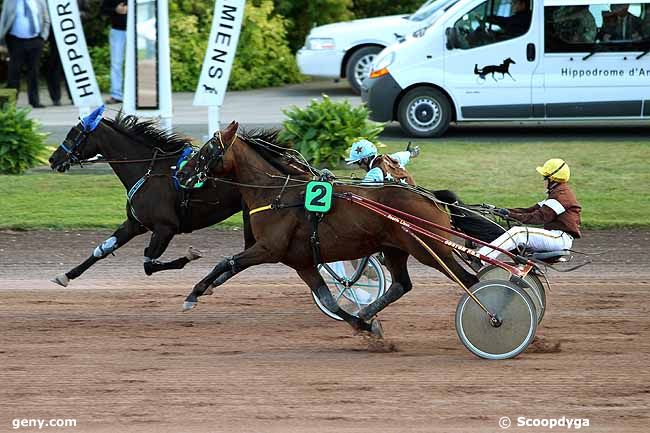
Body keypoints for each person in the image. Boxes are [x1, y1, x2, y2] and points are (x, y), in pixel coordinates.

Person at [477, 159, 582, 262]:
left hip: (559, 238)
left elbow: (538, 217)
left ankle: (482, 257)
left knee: (518, 232)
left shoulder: (561, 196)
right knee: (518, 233)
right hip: (556, 237)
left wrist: (511, 215)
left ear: (551, 179)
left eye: (545, 178)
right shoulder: (557, 193)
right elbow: (530, 210)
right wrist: (500, 210)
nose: (544, 181)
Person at [0, 0, 50, 108]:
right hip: (15, 40)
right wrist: (1, 41)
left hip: (36, 40)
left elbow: (46, 19)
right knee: (14, 72)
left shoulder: (40, 1)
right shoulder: (9, 1)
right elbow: (3, 20)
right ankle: (10, 103)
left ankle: (34, 101)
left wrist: (43, 37)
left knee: (34, 72)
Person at [345, 138, 420, 186]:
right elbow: (401, 156)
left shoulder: (374, 173)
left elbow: (362, 191)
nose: (359, 166)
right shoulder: (388, 158)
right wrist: (410, 153)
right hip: (414, 191)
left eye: (357, 162)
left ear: (365, 160)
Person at [101, 0, 127, 104]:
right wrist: (115, 9)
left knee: (138, 63)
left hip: (137, 30)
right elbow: (103, 10)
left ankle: (138, 93)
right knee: (116, 63)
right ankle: (116, 95)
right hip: (117, 30)